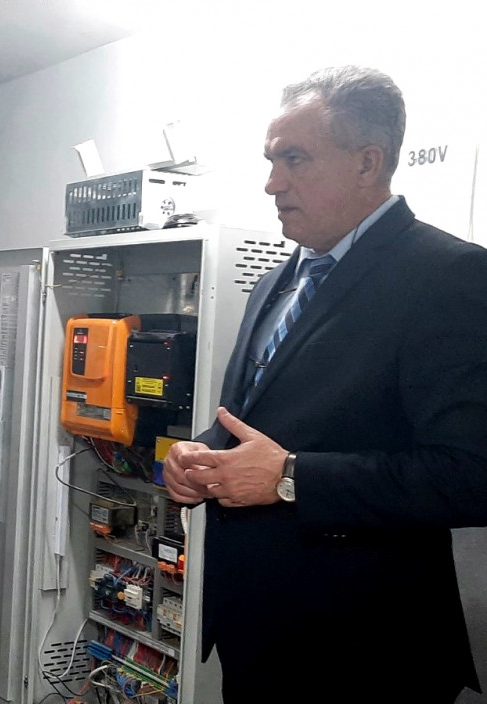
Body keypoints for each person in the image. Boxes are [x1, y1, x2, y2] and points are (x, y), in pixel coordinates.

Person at [163, 66, 487, 704]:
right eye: (270, 161)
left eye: (294, 159)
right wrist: (201, 453)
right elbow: (261, 418)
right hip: (255, 631)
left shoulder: (449, 277)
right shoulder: (277, 279)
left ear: (368, 163)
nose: (271, 183)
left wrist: (291, 476)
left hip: (368, 652)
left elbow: (472, 475)